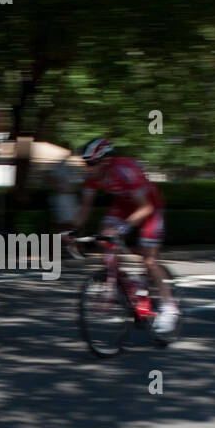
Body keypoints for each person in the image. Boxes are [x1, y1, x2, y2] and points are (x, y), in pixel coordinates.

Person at [70, 137, 178, 335]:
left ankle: (169, 308)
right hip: (122, 207)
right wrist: (73, 229)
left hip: (150, 208)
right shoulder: (93, 176)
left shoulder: (125, 170)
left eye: (91, 163)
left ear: (106, 160)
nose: (88, 168)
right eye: (86, 163)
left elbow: (145, 208)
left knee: (149, 261)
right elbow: (86, 206)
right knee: (104, 237)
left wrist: (123, 229)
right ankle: (120, 280)